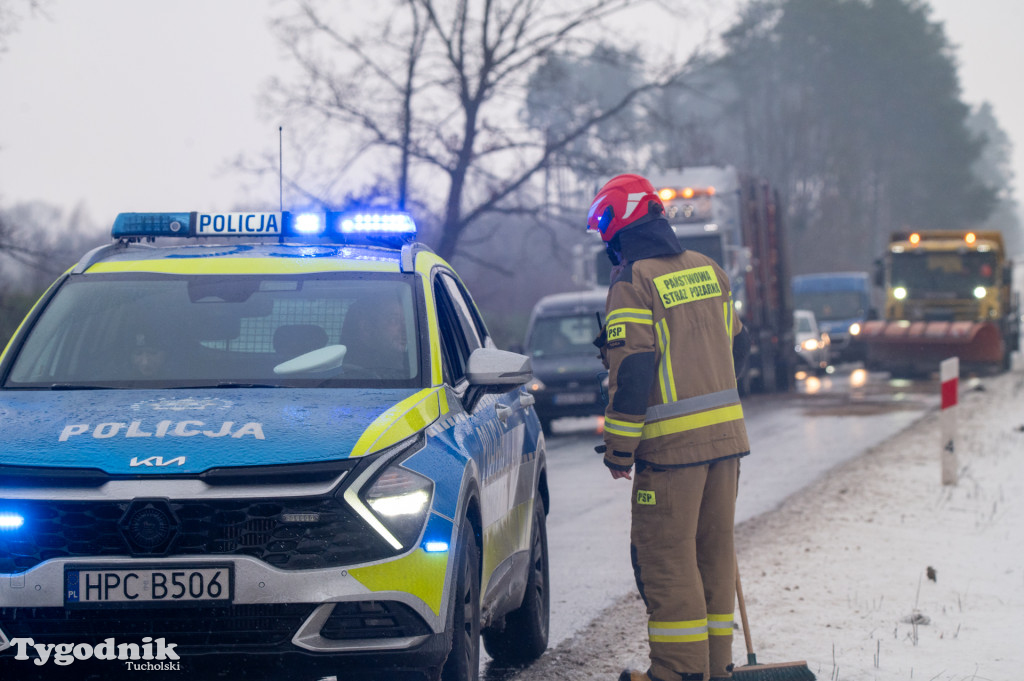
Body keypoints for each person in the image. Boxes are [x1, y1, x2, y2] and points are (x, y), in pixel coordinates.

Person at [587, 174, 752, 681]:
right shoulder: (710, 270)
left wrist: (619, 450)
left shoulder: (632, 281)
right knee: (713, 555)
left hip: (669, 454)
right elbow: (737, 350)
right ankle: (716, 667)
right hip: (725, 446)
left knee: (666, 559)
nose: (605, 239)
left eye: (604, 226)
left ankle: (680, 673)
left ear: (622, 224)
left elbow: (633, 372)